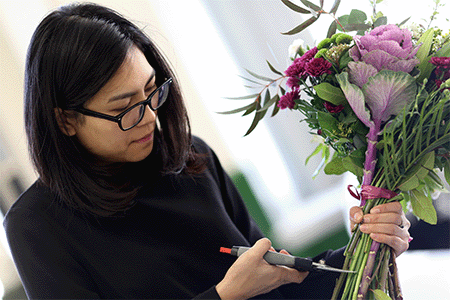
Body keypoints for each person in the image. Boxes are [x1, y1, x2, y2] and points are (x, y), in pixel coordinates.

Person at [3, 3, 411, 299]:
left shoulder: (191, 158)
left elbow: (280, 288)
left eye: (152, 92)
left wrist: (368, 247)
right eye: (124, 109)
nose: (149, 118)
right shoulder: (37, 226)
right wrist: (224, 296)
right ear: (65, 120)